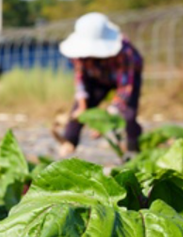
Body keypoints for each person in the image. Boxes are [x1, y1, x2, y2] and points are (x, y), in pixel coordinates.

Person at [57, 12, 143, 156]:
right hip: (96, 78)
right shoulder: (78, 53)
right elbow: (80, 79)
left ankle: (134, 146)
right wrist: (83, 106)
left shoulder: (125, 53)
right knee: (78, 111)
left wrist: (103, 121)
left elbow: (125, 89)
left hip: (125, 78)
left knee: (128, 114)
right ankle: (69, 143)